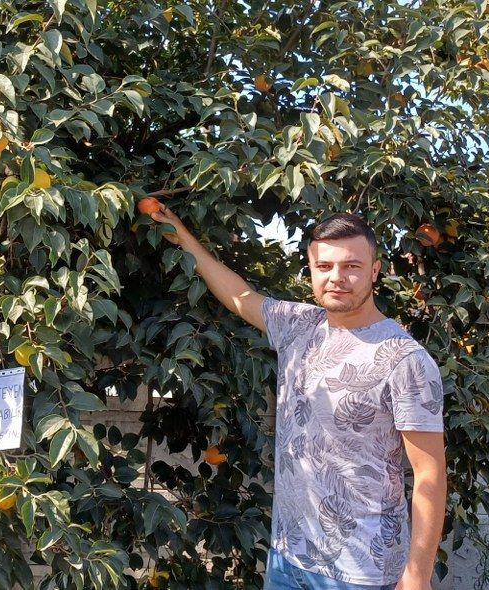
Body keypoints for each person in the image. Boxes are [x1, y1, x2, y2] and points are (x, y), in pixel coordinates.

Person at [152, 208, 446, 590]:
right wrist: (184, 237)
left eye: (352, 266)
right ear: (310, 269)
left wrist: (418, 574)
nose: (336, 278)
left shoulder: (405, 360)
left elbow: (430, 472)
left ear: (375, 270)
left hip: (362, 571)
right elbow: (240, 295)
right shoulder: (299, 326)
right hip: (288, 556)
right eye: (324, 266)